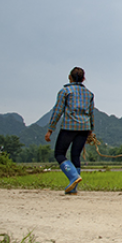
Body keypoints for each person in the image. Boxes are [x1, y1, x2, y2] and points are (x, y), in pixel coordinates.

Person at [45, 67, 94, 195]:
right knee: (75, 155)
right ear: (83, 79)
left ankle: (73, 176)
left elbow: (58, 111)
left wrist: (50, 129)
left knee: (59, 153)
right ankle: (73, 188)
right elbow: (91, 113)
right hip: (84, 127)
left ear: (69, 77)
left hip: (69, 127)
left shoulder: (65, 91)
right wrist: (91, 130)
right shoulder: (89, 94)